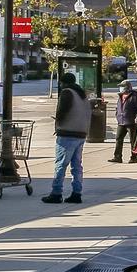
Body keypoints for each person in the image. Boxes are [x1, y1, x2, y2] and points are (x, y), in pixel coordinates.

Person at [46, 71, 89, 204]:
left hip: (67, 133)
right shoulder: (82, 95)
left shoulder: (67, 93)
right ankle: (77, 193)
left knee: (61, 164)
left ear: (63, 83)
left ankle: (56, 193)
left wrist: (58, 120)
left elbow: (63, 111)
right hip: (81, 133)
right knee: (77, 166)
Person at [113, 79, 137, 164]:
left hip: (131, 122)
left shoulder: (134, 96)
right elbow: (118, 107)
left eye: (122, 87)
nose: (121, 89)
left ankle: (133, 157)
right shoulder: (120, 96)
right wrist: (117, 115)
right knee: (118, 138)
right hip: (121, 122)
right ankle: (117, 157)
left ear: (127, 87)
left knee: (133, 140)